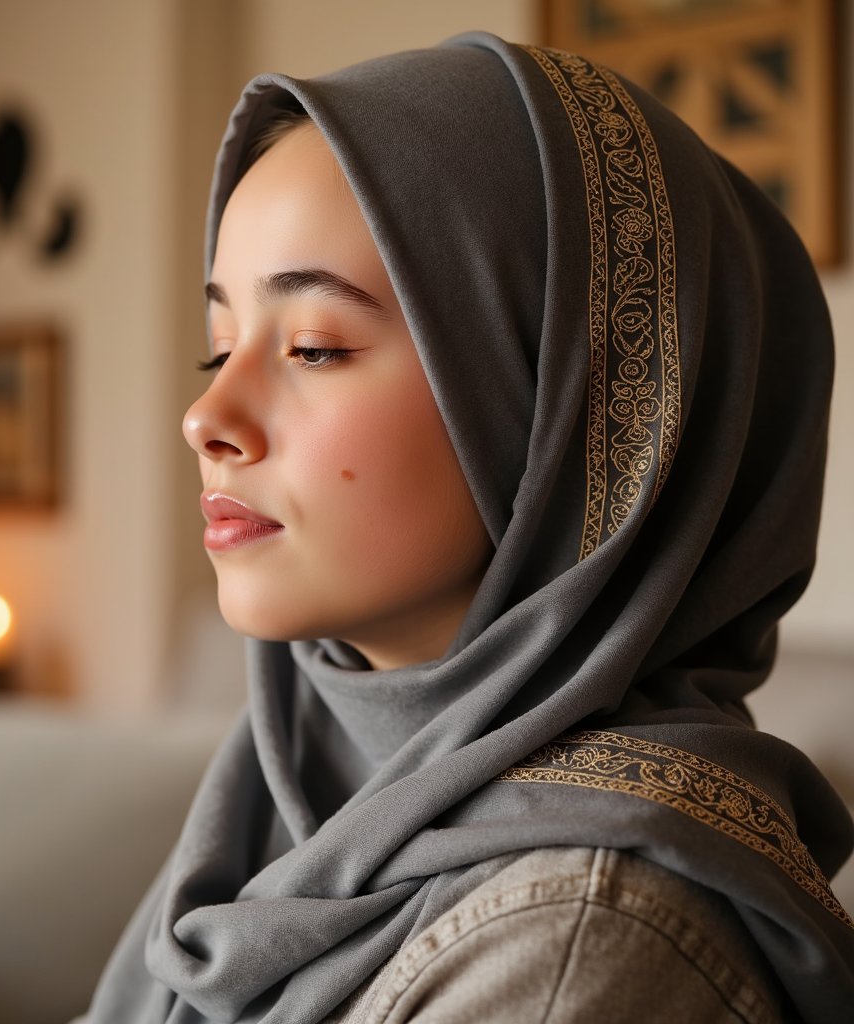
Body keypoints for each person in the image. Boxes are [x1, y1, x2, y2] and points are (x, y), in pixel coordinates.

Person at [87, 32, 854, 1022]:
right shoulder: (287, 797)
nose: (206, 420)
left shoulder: (581, 944)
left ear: (572, 419)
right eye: (219, 347)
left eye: (314, 347)